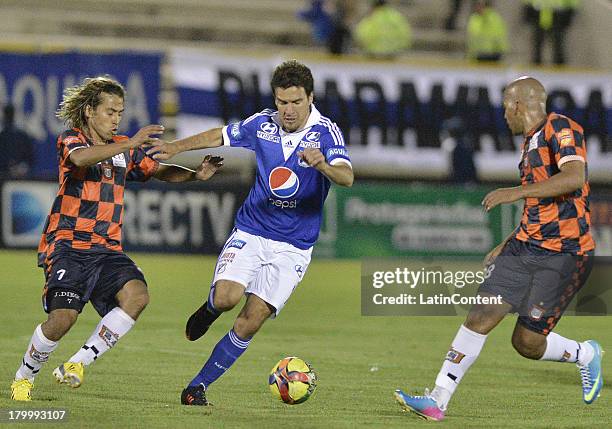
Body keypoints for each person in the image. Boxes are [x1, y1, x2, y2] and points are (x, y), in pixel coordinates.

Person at [147, 60, 354, 406]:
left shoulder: (326, 133)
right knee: (228, 298)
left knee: (251, 321)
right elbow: (220, 135)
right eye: (282, 102)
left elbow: (347, 177)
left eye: (296, 102)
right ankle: (210, 308)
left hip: (294, 246)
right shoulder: (262, 124)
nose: (287, 110)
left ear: (310, 98)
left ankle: (196, 388)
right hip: (253, 230)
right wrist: (175, 148)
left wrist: (322, 165)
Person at [395, 76, 602, 421]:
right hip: (525, 247)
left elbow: (574, 177)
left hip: (566, 254)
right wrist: (507, 241)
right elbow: (539, 206)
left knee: (526, 343)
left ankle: (584, 353)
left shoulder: (561, 128)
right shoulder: (529, 143)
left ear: (518, 105)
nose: (504, 113)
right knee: (479, 316)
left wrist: (513, 192)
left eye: (506, 105)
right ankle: (437, 400)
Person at [10, 76, 223, 402]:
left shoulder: (125, 149)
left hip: (107, 248)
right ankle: (24, 377)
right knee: (63, 319)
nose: (116, 119)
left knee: (137, 296)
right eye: (110, 112)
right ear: (89, 112)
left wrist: (196, 174)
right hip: (68, 244)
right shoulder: (71, 139)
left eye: (120, 113)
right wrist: (130, 142)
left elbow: (160, 170)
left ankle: (76, 364)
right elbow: (82, 159)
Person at [523, 0, 580, 65]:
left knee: (558, 44)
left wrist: (570, 12)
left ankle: (559, 67)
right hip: (539, 14)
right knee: (537, 42)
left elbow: (573, 2)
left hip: (558, 15)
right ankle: (537, 66)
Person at [0, 104, 35, 178]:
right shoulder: (22, 135)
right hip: (7, 176)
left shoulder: (21, 135)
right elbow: (30, 158)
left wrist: (21, 167)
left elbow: (30, 158)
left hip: (15, 177)